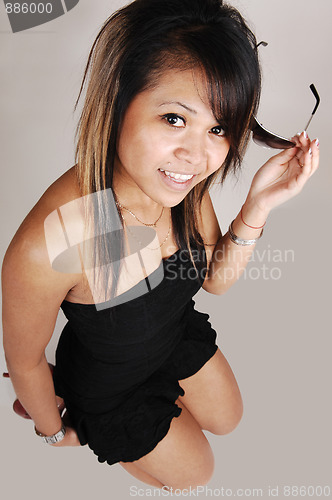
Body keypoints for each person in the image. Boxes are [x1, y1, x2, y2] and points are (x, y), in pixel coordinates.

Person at [1, 0, 319, 492]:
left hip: (170, 337)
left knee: (229, 418)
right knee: (198, 474)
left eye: (218, 129)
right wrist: (57, 431)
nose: (197, 155)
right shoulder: (50, 243)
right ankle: (94, 421)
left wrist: (258, 204)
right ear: (118, 101)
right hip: (110, 386)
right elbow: (23, 360)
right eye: (173, 118)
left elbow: (215, 281)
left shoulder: (180, 185)